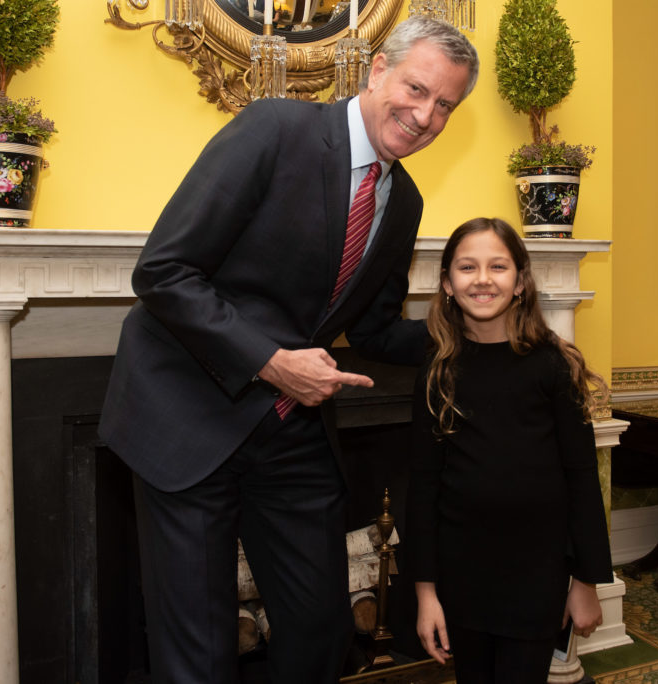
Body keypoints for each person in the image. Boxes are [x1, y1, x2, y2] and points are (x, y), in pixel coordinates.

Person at [98, 16, 479, 684]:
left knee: (321, 631)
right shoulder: (276, 129)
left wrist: (475, 333)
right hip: (185, 418)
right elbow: (162, 271)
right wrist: (271, 361)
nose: (424, 115)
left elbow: (375, 330)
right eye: (417, 88)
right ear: (378, 69)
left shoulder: (405, 200)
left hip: (287, 432)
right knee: (200, 655)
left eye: (445, 105)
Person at [405, 218, 613, 684]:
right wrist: (425, 593)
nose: (482, 279)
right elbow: (422, 486)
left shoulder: (554, 365)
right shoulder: (437, 371)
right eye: (467, 267)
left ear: (520, 282)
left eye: (498, 266)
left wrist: (585, 581)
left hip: (536, 579)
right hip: (461, 579)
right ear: (447, 284)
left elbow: (582, 477)